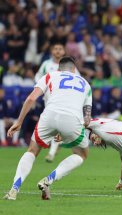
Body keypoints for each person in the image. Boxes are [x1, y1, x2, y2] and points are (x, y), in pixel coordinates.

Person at [4, 56, 92, 200]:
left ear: (59, 68)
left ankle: (14, 189)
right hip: (72, 119)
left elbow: (32, 98)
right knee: (81, 154)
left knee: (32, 150)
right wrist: (65, 131)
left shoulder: (50, 75)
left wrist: (19, 121)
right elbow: (87, 119)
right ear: (74, 70)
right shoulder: (85, 84)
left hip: (49, 116)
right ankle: (48, 180)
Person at [35, 42, 69, 163]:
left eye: (60, 48)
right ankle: (54, 145)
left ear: (64, 51)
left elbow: (78, 79)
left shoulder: (68, 65)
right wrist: (41, 88)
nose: (58, 51)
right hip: (48, 99)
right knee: (52, 125)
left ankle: (51, 152)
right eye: (56, 48)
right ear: (52, 51)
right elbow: (37, 77)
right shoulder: (46, 64)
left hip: (63, 100)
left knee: (57, 125)